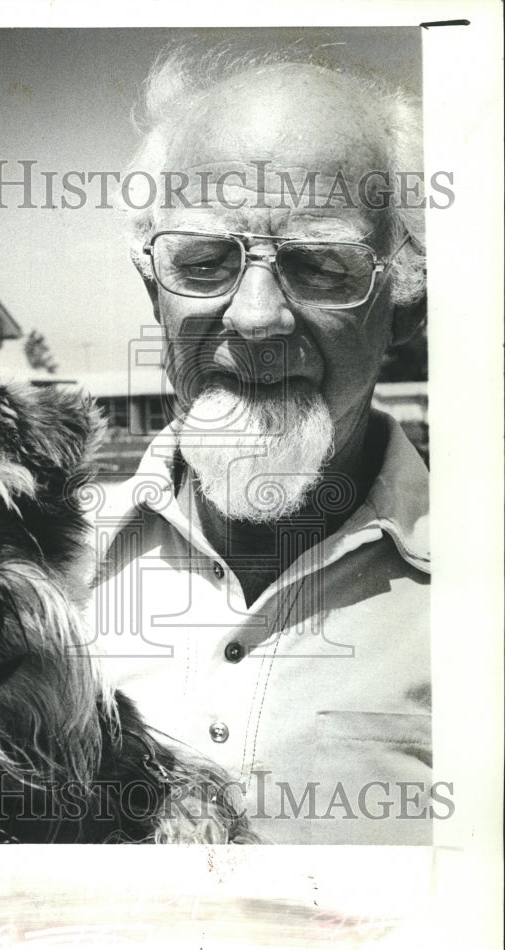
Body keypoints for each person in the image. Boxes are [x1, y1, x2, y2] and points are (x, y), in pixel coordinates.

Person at [87, 47, 432, 845]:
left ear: (407, 307)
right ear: (155, 291)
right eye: (204, 262)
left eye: (320, 264)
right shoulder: (43, 570)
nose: (255, 317)